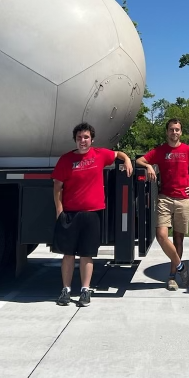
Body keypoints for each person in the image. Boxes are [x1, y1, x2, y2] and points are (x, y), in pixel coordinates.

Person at [51, 122, 133, 307]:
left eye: (86, 137)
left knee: (87, 255)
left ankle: (85, 290)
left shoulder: (99, 154)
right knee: (68, 254)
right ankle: (66, 290)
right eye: (79, 137)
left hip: (92, 214)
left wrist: (126, 160)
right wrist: (59, 209)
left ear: (92, 139)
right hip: (70, 213)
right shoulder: (66, 160)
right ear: (75, 139)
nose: (83, 141)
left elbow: (118, 154)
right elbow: (57, 186)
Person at [137, 118, 189, 291]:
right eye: (171, 129)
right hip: (165, 198)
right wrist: (149, 167)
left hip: (183, 199)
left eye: (177, 130)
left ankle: (172, 276)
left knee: (178, 239)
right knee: (161, 235)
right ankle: (181, 266)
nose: (174, 132)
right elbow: (140, 160)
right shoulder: (160, 151)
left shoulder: (188, 150)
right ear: (167, 132)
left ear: (181, 132)